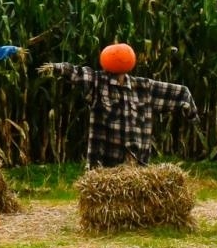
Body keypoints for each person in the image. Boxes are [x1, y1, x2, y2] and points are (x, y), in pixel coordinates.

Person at [41, 46, 197, 167]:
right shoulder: (98, 82)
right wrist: (58, 67)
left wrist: (191, 113)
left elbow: (180, 92)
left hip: (137, 163)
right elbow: (78, 73)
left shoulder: (144, 87)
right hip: (104, 164)